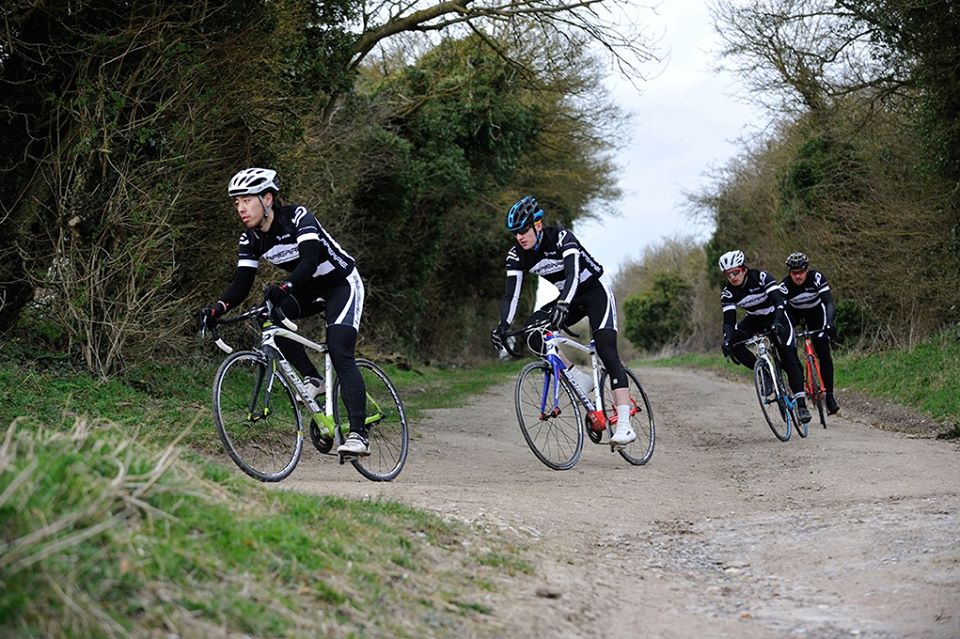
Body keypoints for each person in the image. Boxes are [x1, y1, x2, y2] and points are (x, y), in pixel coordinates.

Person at [197, 167, 370, 456]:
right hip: (308, 290)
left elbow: (310, 260)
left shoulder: (298, 217)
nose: (241, 208)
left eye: (247, 200)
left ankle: (358, 435)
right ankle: (313, 379)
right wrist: (218, 308)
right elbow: (241, 284)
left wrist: (286, 285)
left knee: (341, 352)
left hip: (342, 285)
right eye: (236, 202)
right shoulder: (250, 238)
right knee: (269, 314)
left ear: (267, 198)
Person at [489, 195, 637, 446]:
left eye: (523, 230)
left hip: (594, 293)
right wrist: (503, 325)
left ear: (537, 224)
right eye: (515, 233)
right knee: (533, 334)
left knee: (606, 350)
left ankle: (624, 423)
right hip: (568, 300)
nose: (519, 237)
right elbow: (511, 294)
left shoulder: (561, 238)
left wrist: (563, 304)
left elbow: (573, 274)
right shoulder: (517, 254)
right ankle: (577, 377)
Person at [718, 249, 813, 424]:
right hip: (755, 318)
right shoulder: (728, 293)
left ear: (743, 269)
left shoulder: (761, 277)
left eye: (735, 272)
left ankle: (801, 405)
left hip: (776, 314)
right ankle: (765, 373)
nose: (732, 277)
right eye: (727, 274)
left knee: (788, 357)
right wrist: (726, 339)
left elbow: (779, 302)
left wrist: (777, 322)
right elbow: (729, 322)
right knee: (733, 343)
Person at [781, 252, 840, 415]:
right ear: (789, 272)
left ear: (807, 270)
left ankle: (829, 395)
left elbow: (828, 302)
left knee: (822, 348)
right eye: (794, 272)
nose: (798, 276)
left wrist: (829, 323)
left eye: (801, 271)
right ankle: (799, 385)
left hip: (816, 313)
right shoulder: (784, 286)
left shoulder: (817, 278)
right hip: (795, 314)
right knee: (787, 347)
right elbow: (782, 312)